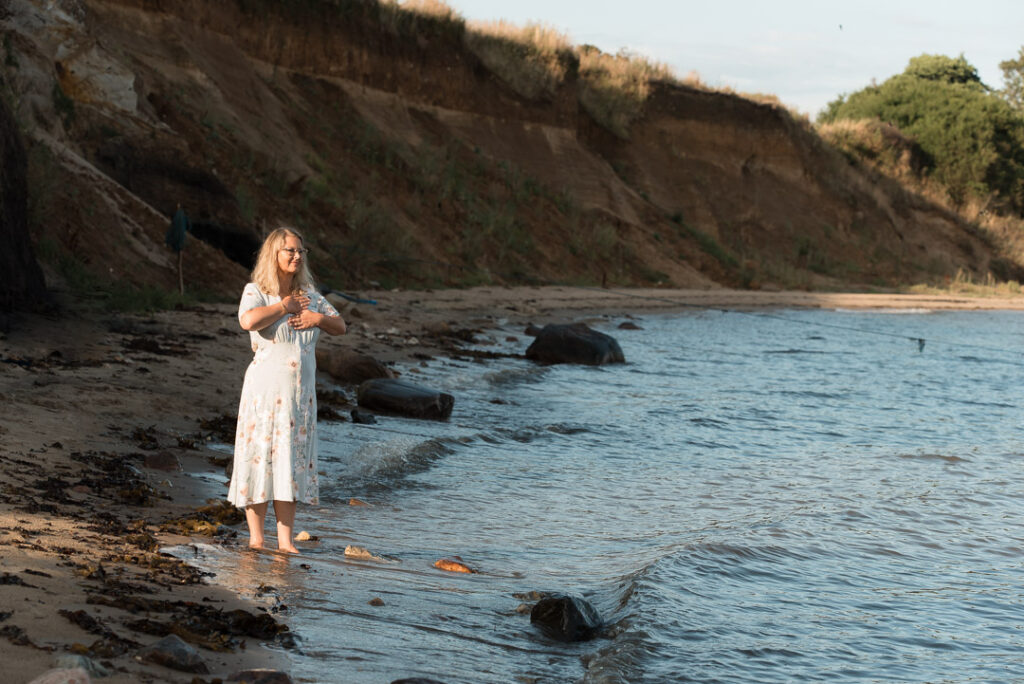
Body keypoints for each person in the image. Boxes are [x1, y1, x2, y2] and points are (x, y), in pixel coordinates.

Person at [227, 227, 347, 553]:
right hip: (265, 394)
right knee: (259, 461)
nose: (296, 256)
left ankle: (285, 541)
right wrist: (285, 307)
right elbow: (247, 321)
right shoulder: (257, 290)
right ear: (274, 255)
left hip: (299, 399)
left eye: (300, 251)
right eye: (289, 251)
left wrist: (314, 318)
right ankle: (256, 538)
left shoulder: (311, 295)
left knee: (289, 465)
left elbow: (340, 326)